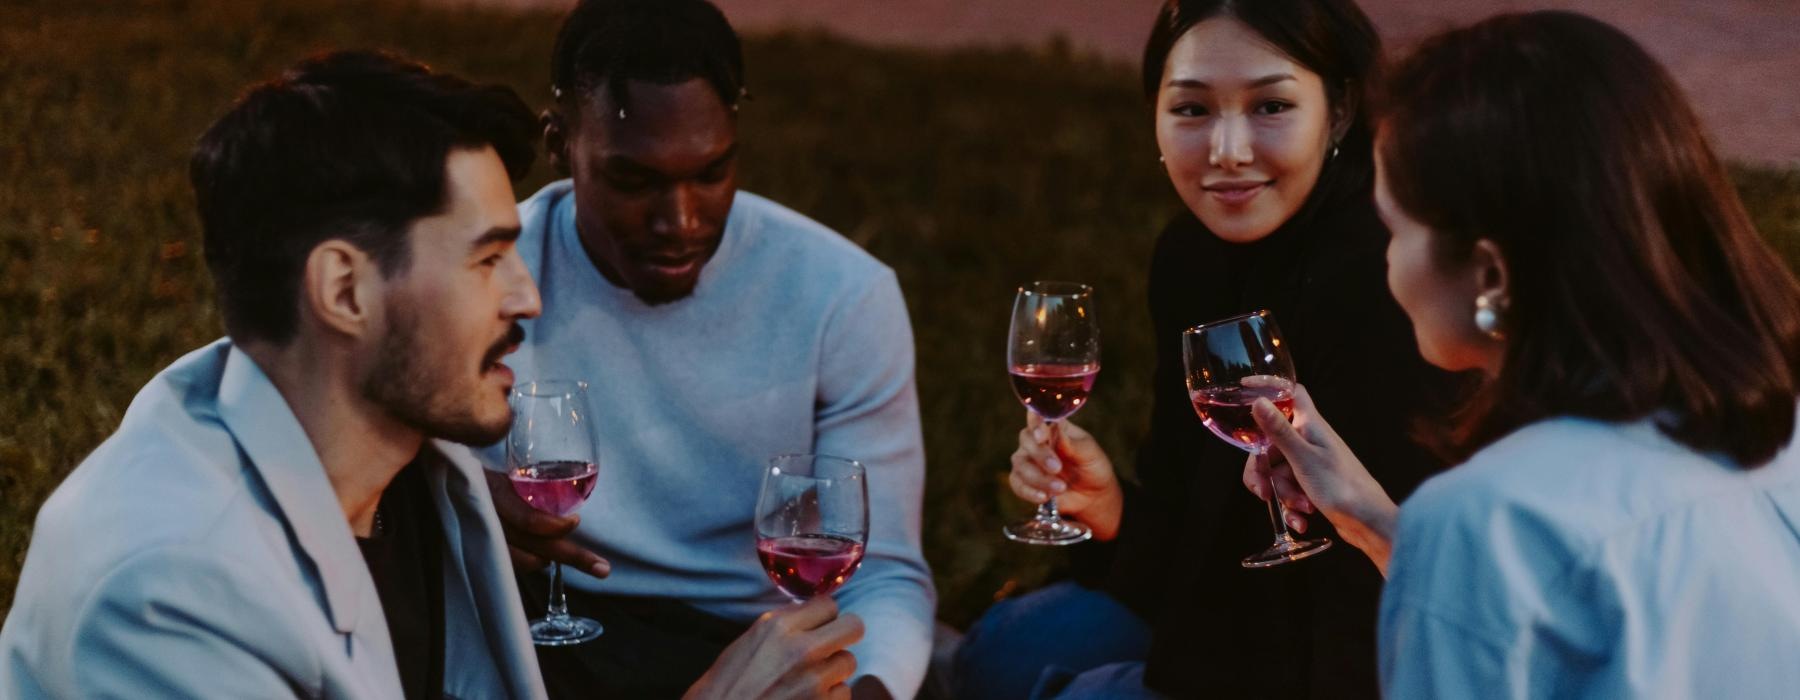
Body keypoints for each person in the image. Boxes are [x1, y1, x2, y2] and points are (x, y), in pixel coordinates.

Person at [1242, 10, 1800, 697]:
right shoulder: (1777, 432)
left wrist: (1444, 551)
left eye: (1392, 228)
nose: (1385, 263)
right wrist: (1378, 526)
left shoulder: (1492, 517)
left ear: (1491, 273)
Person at [0, 50, 548, 698]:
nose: (527, 297)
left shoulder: (410, 471)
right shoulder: (169, 595)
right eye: (487, 259)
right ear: (344, 291)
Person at [955, 1, 1458, 697]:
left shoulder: (1387, 279)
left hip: (1356, 654)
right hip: (1224, 613)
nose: (1227, 150)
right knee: (997, 653)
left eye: (1271, 106)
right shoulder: (1190, 258)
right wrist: (1113, 514)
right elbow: (1186, 516)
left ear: (1339, 111)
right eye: (1192, 110)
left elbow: (1383, 605)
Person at [483, 1, 934, 698]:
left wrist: (869, 691)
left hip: (761, 636)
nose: (681, 222)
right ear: (558, 145)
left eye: (711, 173)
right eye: (635, 181)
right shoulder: (489, 278)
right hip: (563, 630)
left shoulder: (840, 294)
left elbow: (885, 570)